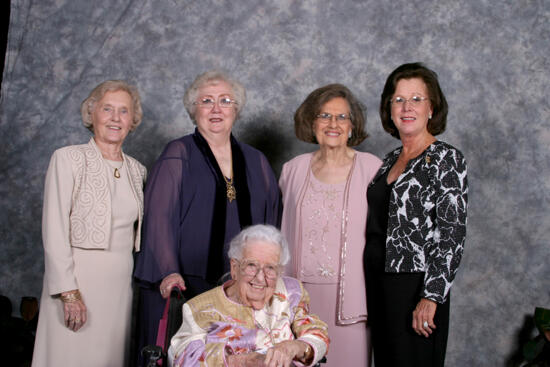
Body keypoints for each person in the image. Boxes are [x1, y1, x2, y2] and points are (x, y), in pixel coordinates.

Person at [134, 71, 281, 357]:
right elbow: (159, 217)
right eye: (207, 101)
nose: (216, 109)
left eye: (225, 101)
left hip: (240, 284)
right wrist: (168, 271)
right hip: (183, 283)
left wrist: (265, 272)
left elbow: (271, 221)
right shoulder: (178, 153)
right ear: (194, 110)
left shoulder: (256, 160)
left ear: (236, 110)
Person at [31, 80, 146, 367]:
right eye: (107, 109)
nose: (115, 118)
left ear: (133, 120)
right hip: (77, 280)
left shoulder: (138, 170)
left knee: (107, 357)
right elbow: (54, 229)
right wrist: (68, 294)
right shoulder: (67, 159)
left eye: (123, 111)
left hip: (119, 283)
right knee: (68, 355)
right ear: (91, 113)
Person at [364, 62, 468, 366]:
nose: (406, 107)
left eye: (416, 99)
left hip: (415, 285)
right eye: (398, 100)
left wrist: (431, 296)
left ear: (431, 108)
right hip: (379, 282)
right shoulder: (389, 160)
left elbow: (451, 234)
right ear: (389, 108)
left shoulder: (445, 159)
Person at [279, 84, 381, 366]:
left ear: (352, 125)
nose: (333, 124)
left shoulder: (372, 169)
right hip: (301, 299)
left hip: (352, 298)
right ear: (312, 123)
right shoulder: (292, 170)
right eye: (324, 116)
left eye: (341, 117)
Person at [168, 224, 330, 367]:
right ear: (234, 267)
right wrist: (243, 361)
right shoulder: (200, 308)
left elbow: (317, 332)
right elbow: (182, 359)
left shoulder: (291, 292)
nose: (260, 277)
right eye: (251, 265)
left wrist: (295, 347)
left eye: (270, 268)